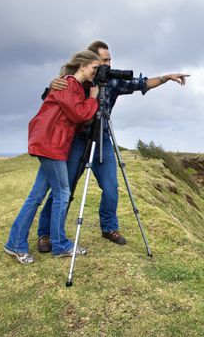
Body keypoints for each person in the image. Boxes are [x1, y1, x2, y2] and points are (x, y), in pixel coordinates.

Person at [36, 40, 189, 252]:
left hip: (102, 138)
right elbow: (50, 98)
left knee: (111, 188)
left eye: (110, 60)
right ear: (91, 62)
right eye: (103, 60)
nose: (108, 64)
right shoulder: (76, 81)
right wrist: (53, 85)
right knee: (64, 189)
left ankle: (109, 227)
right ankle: (45, 233)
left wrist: (165, 78)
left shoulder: (112, 82)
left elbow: (141, 83)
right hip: (77, 140)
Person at [4, 50, 100, 264]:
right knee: (62, 193)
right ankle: (60, 244)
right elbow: (80, 114)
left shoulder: (70, 85)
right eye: (95, 67)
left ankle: (15, 243)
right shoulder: (67, 84)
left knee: (36, 196)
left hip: (51, 143)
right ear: (83, 66)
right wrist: (93, 99)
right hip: (51, 144)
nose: (96, 72)